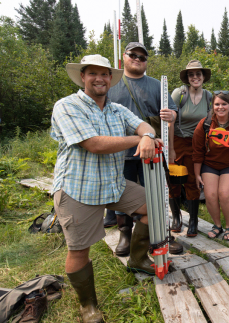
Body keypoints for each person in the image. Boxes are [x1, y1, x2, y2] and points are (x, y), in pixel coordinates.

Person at [51, 54, 163, 323]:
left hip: (113, 185)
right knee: (79, 249)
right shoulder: (67, 106)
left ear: (111, 79)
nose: (99, 79)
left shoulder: (115, 108)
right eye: (93, 74)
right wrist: (139, 138)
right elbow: (94, 144)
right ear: (83, 77)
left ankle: (138, 260)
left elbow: (143, 124)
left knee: (155, 205)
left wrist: (147, 134)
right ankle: (88, 307)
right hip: (77, 188)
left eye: (104, 74)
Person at [106, 42, 182, 256]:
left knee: (156, 193)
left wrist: (172, 117)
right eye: (133, 55)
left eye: (142, 57)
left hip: (153, 152)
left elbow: (172, 114)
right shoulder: (111, 84)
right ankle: (125, 234)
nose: (138, 59)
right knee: (121, 193)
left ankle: (161, 233)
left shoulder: (157, 85)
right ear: (124, 57)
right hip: (120, 153)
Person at [192, 91, 229, 241]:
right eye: (217, 104)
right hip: (210, 164)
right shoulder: (204, 124)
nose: (220, 107)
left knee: (224, 195)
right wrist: (197, 174)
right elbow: (197, 151)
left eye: (224, 104)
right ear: (212, 106)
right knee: (211, 195)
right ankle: (217, 225)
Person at [170, 60, 212, 237]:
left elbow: (210, 123)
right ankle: (176, 217)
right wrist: (171, 148)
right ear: (187, 78)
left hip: (198, 144)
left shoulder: (209, 96)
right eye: (191, 74)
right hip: (178, 141)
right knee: (173, 179)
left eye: (198, 74)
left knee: (194, 181)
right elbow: (170, 121)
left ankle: (193, 221)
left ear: (203, 77)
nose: (195, 77)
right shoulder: (179, 94)